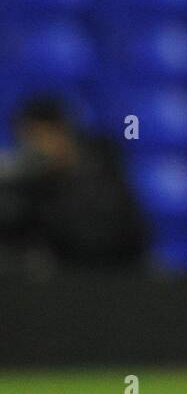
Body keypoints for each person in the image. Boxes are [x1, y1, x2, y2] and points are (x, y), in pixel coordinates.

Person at [0, 97, 149, 272]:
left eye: (42, 137)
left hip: (111, 277)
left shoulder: (102, 171)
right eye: (28, 139)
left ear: (63, 133)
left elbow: (107, 238)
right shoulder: (26, 184)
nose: (36, 148)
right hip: (52, 285)